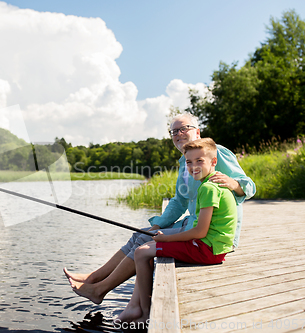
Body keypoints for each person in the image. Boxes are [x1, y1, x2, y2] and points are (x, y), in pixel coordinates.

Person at [64, 112, 255, 304]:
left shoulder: (215, 152)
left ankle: (99, 289)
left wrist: (233, 183)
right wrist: (158, 224)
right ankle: (94, 278)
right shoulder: (185, 162)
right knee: (142, 234)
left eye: (183, 128)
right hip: (195, 224)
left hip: (212, 234)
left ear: (197, 131)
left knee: (145, 240)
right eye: (173, 132)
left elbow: (250, 186)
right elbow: (180, 201)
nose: (178, 134)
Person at [117, 137, 238, 323]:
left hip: (207, 249)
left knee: (142, 253)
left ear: (214, 162)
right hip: (213, 247)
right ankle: (140, 309)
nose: (193, 166)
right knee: (147, 246)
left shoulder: (208, 189)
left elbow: (200, 232)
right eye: (189, 162)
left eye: (200, 161)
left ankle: (143, 312)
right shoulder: (213, 185)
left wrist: (166, 239)